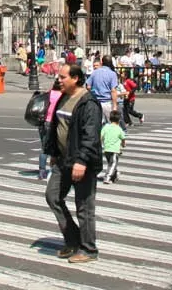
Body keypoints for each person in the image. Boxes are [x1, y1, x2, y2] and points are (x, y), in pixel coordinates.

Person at [43, 62, 102, 264]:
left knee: (84, 207)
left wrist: (82, 161)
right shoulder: (63, 97)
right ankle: (73, 238)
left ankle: (88, 249)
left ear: (75, 78)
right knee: (52, 196)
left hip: (81, 162)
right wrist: (53, 152)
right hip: (62, 159)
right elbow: (56, 127)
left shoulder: (88, 103)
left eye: (63, 77)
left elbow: (91, 136)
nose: (58, 80)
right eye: (59, 77)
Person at [37, 75, 63, 181]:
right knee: (56, 147)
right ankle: (54, 170)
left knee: (44, 148)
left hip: (43, 122)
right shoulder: (62, 95)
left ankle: (41, 171)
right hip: (53, 123)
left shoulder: (49, 93)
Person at [99, 110, 126, 183]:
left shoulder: (106, 127)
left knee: (111, 163)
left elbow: (101, 136)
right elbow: (123, 139)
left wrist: (100, 144)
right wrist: (123, 145)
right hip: (115, 150)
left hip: (106, 149)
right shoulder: (119, 129)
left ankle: (115, 175)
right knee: (113, 163)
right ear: (119, 119)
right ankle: (107, 177)